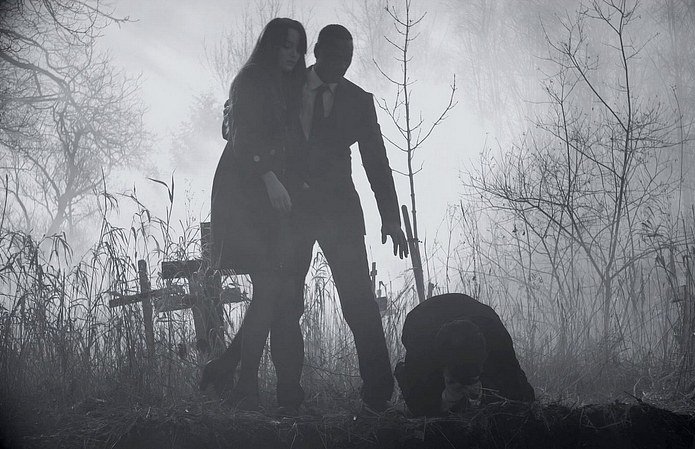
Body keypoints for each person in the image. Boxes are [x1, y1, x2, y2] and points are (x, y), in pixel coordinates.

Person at [204, 23, 409, 415]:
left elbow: (377, 162)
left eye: (348, 58)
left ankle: (378, 395)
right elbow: (242, 123)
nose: (341, 65)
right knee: (286, 306)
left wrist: (390, 217)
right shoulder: (284, 85)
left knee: (359, 303)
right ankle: (288, 398)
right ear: (316, 51)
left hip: (341, 217)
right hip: (289, 215)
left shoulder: (358, 101)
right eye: (334, 56)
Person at [202, 17, 307, 411]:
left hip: (268, 201)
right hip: (245, 196)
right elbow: (243, 138)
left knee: (271, 289)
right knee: (268, 286)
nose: (293, 54)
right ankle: (242, 380)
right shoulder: (250, 80)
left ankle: (229, 372)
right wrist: (270, 178)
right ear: (271, 46)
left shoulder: (286, 84)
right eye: (286, 45)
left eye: (298, 47)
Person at [394, 293, 536, 417]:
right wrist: (445, 399)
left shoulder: (496, 339)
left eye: (473, 375)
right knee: (421, 396)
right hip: (422, 321)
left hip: (479, 317)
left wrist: (485, 390)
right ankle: (405, 371)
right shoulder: (420, 345)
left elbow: (523, 395)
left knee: (511, 391)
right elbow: (417, 403)